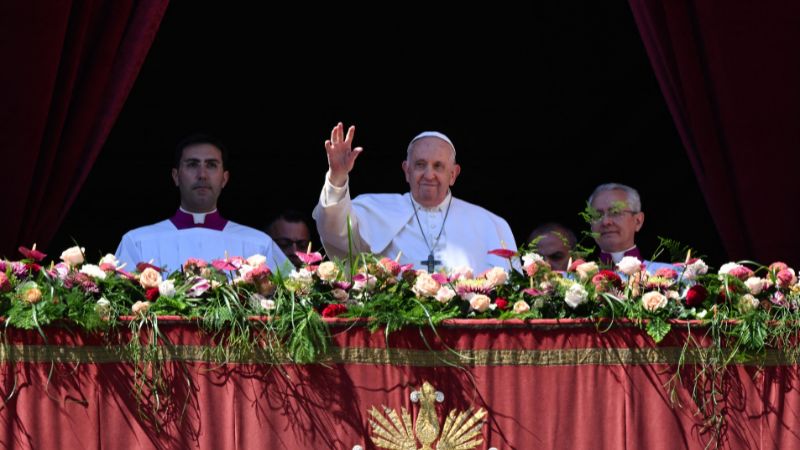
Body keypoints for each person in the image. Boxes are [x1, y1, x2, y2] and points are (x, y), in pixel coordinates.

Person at [313, 122, 517, 272]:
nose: (429, 174)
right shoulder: (376, 210)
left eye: (438, 166)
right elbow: (335, 231)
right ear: (406, 170)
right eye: (420, 165)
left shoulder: (488, 224)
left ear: (453, 174)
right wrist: (337, 176)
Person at [114, 134, 290, 273]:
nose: (202, 175)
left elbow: (296, 299)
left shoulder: (258, 244)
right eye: (192, 164)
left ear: (224, 178)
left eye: (212, 165)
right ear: (176, 176)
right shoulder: (137, 242)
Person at [588, 183, 645, 265]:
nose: (605, 222)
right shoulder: (571, 277)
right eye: (597, 215)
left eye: (615, 212)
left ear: (638, 221)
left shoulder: (665, 275)